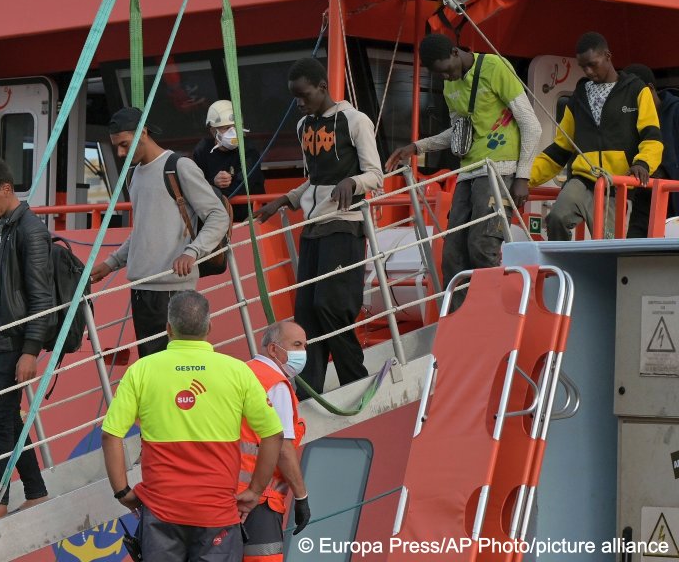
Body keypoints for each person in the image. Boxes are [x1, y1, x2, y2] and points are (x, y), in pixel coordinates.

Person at [102, 290, 283, 562]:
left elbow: (110, 435)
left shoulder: (142, 370)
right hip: (218, 516)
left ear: (168, 329)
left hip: (161, 515)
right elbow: (273, 434)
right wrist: (255, 491)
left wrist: (122, 491)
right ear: (210, 327)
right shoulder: (237, 371)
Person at [254, 57, 383, 399]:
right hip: (313, 227)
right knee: (306, 314)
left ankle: (354, 379)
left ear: (323, 87)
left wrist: (352, 183)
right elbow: (315, 181)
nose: (300, 103)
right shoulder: (303, 127)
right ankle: (307, 392)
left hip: (345, 225)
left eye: (304, 95)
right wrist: (285, 199)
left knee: (332, 304)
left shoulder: (355, 121)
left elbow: (376, 175)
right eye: (295, 97)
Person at [385, 33, 540, 306]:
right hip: (468, 173)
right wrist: (417, 147)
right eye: (439, 75)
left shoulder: (495, 67)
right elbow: (457, 134)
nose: (445, 78)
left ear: (455, 53)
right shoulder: (450, 86)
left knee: (482, 246)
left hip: (498, 169)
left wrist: (522, 176)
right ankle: (459, 319)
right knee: (453, 253)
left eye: (446, 71)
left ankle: (490, 314)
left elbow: (530, 124)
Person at [90, 107, 229, 358]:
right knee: (154, 365)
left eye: (124, 144)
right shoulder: (135, 174)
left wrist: (192, 252)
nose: (121, 153)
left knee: (175, 366)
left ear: (143, 132)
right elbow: (142, 230)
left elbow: (218, 216)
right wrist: (110, 264)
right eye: (117, 147)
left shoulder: (179, 166)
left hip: (174, 290)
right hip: (143, 290)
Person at [0, 158, 52, 516]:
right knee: (7, 417)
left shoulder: (30, 230)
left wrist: (30, 350)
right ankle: (35, 491)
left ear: (6, 189)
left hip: (15, 342)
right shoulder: (3, 226)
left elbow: (41, 297)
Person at [529, 32, 663, 240]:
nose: (588, 71)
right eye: (583, 67)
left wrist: (643, 163)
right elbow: (561, 148)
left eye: (592, 64)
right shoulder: (578, 98)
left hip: (617, 185)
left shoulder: (636, 90)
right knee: (556, 217)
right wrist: (525, 177)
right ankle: (564, 267)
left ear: (608, 56)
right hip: (582, 179)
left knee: (608, 244)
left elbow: (652, 136)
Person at [238, 321, 312, 561]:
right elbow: (282, 448)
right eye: (297, 345)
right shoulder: (275, 384)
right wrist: (302, 498)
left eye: (305, 346)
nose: (303, 353)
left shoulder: (242, 373)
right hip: (260, 498)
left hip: (224, 491)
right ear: (273, 349)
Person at [622, 64, 679, 237]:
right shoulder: (631, 119)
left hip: (673, 196)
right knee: (633, 247)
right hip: (645, 192)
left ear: (650, 89)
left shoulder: (676, 111)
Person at [192, 99, 266, 222]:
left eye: (236, 127)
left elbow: (241, 188)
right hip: (213, 220)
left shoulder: (248, 151)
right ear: (212, 130)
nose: (233, 132)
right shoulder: (202, 150)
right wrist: (213, 182)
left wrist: (212, 187)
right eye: (226, 128)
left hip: (247, 220)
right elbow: (194, 186)